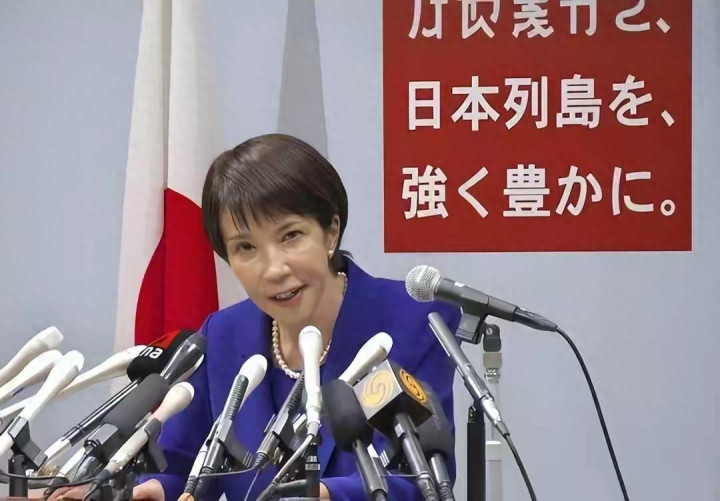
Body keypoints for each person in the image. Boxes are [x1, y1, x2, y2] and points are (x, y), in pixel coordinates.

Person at [63, 134, 461, 500]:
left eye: (291, 236)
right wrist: (153, 491)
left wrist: (319, 496)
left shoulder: (413, 321)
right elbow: (183, 467)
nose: (273, 269)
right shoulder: (223, 336)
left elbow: (421, 478)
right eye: (246, 248)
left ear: (331, 231)